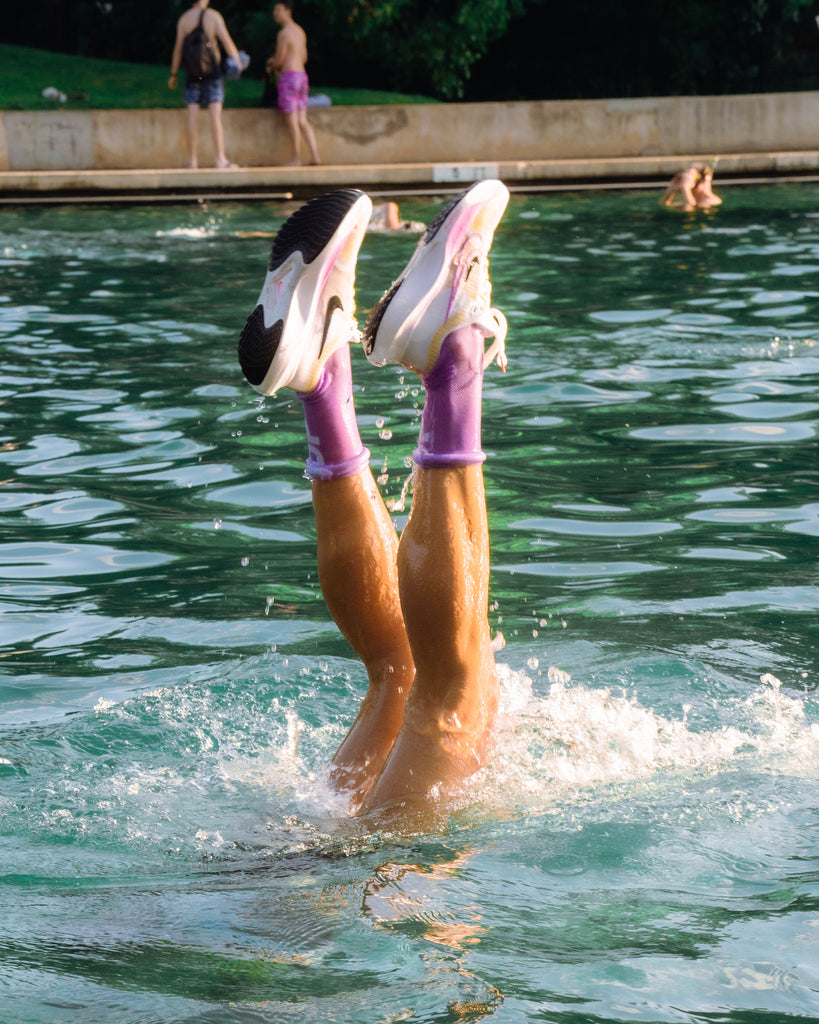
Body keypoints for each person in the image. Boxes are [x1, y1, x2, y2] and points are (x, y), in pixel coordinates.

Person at [237, 180, 510, 819]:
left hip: (331, 879)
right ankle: (363, 368)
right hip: (312, 876)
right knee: (426, 684)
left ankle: (396, 359)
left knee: (430, 684)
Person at [169, 0, 242, 170]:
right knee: (215, 116)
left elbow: (178, 49)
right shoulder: (213, 16)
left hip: (192, 75)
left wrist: (173, 74)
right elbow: (227, 42)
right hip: (212, 74)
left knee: (191, 116)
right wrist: (238, 62)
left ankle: (192, 161)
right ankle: (220, 159)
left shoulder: (184, 19)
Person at [270, 0, 321, 166]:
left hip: (289, 77)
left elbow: (280, 59)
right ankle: (314, 155)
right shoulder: (300, 31)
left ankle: (296, 158)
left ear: (287, 11)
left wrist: (271, 63)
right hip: (302, 77)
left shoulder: (284, 33)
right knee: (302, 120)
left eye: (278, 10)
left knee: (292, 120)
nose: (275, 14)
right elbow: (304, 57)